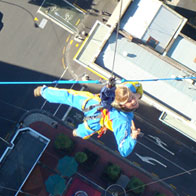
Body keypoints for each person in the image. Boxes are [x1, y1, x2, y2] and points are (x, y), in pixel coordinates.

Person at [34, 81, 143, 157]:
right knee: (84, 125)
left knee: (71, 98)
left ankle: (44, 92)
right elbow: (124, 151)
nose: (133, 101)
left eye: (132, 98)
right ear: (122, 105)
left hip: (94, 103)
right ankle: (44, 92)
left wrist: (138, 95)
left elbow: (137, 85)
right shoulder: (122, 121)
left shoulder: (128, 89)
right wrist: (132, 137)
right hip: (98, 116)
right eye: (129, 101)